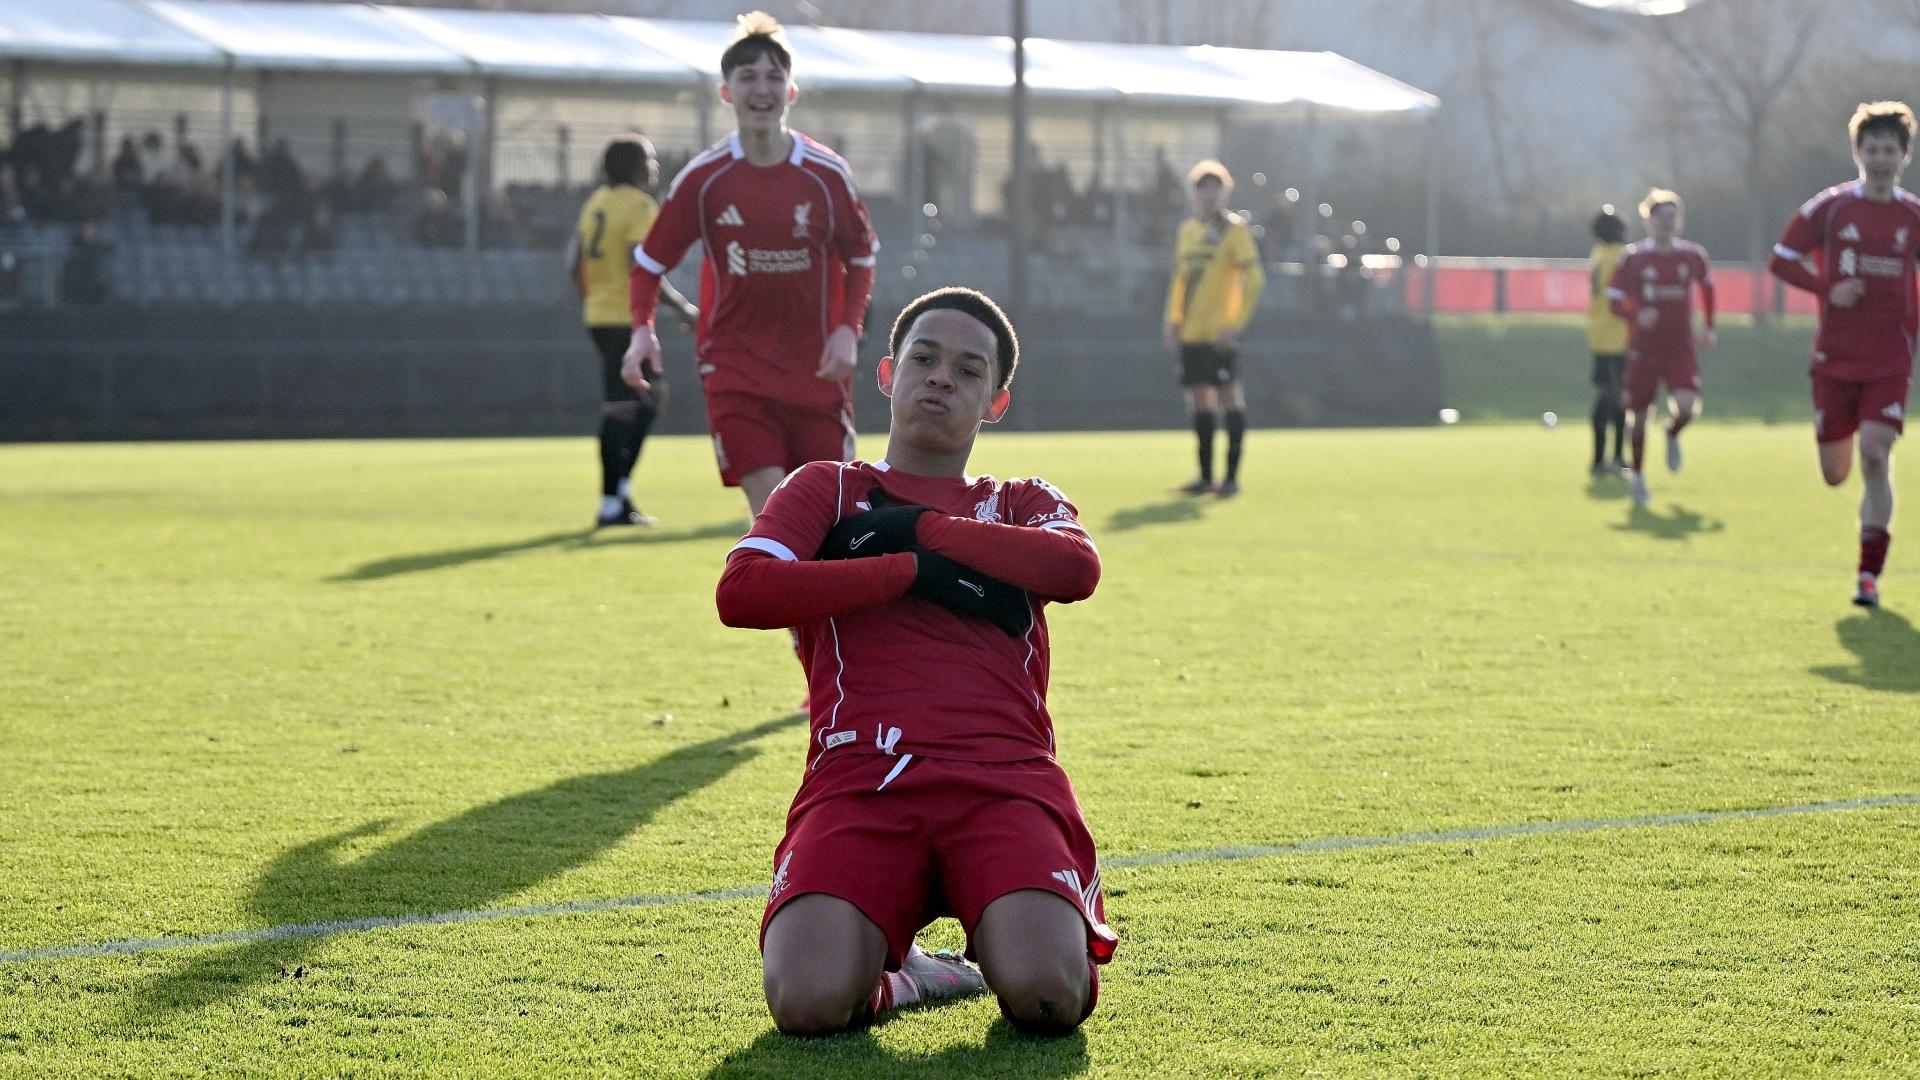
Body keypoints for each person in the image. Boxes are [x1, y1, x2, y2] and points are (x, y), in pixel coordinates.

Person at [715, 287, 1116, 1037]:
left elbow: (1076, 569)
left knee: (1048, 995)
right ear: (887, 375)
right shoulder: (827, 488)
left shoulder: (1020, 501)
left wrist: (921, 530)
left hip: (1003, 779)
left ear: (995, 402)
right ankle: (906, 978)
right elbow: (742, 592)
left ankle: (1009, 929)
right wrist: (907, 572)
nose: (941, 378)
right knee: (807, 1003)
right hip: (861, 777)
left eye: (968, 370)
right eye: (924, 360)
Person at [623, 12, 879, 519]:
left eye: (773, 77)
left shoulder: (827, 174)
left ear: (791, 91)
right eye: (748, 77)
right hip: (735, 370)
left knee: (830, 521)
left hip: (816, 372)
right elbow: (648, 264)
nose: (762, 89)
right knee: (777, 512)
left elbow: (861, 255)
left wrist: (847, 331)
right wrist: (640, 331)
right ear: (727, 92)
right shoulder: (704, 179)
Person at [1769, 101, 1920, 608]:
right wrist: (1826, 288)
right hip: (1835, 358)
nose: (1880, 159)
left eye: (1889, 150)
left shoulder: (1912, 215)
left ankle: (1868, 576)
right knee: (1836, 474)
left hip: (1890, 358)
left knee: (1875, 454)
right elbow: (1781, 259)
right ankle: (1847, 441)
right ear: (1858, 153)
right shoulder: (1831, 208)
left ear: (1904, 156)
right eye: (1872, 149)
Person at [568, 134, 698, 528]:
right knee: (622, 406)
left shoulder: (596, 203)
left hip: (599, 314)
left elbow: (573, 263)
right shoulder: (640, 205)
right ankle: (610, 504)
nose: (654, 167)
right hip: (624, 318)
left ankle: (620, 492)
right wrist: (683, 307)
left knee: (650, 398)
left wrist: (594, 300)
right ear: (635, 167)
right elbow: (642, 267)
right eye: (650, 160)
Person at [1606, 188, 1716, 506]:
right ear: (1648, 221)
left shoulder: (1692, 256)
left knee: (1687, 407)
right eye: (1660, 217)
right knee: (1638, 419)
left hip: (1680, 348)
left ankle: (1672, 432)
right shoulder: (1633, 258)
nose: (1667, 222)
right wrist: (1636, 314)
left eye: (1672, 216)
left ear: (1678, 221)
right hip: (1644, 351)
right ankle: (1639, 477)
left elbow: (1708, 288)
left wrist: (1709, 326)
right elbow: (1614, 301)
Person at [1162, 160, 1265, 497]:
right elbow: (1180, 282)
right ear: (1194, 193)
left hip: (1219, 335)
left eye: (1215, 186)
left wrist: (1235, 325)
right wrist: (1173, 321)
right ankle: (1206, 478)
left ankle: (1231, 479)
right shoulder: (1187, 232)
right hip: (1191, 334)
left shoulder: (1234, 231)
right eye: (1202, 187)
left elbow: (1255, 281)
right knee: (1199, 402)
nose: (1209, 193)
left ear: (1225, 191)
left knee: (1229, 398)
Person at [1587, 207, 1630, 476]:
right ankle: (1607, 459)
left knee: (1611, 398)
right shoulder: (1620, 256)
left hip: (1600, 334)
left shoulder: (1599, 253)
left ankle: (1611, 458)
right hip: (1618, 335)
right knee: (1613, 400)